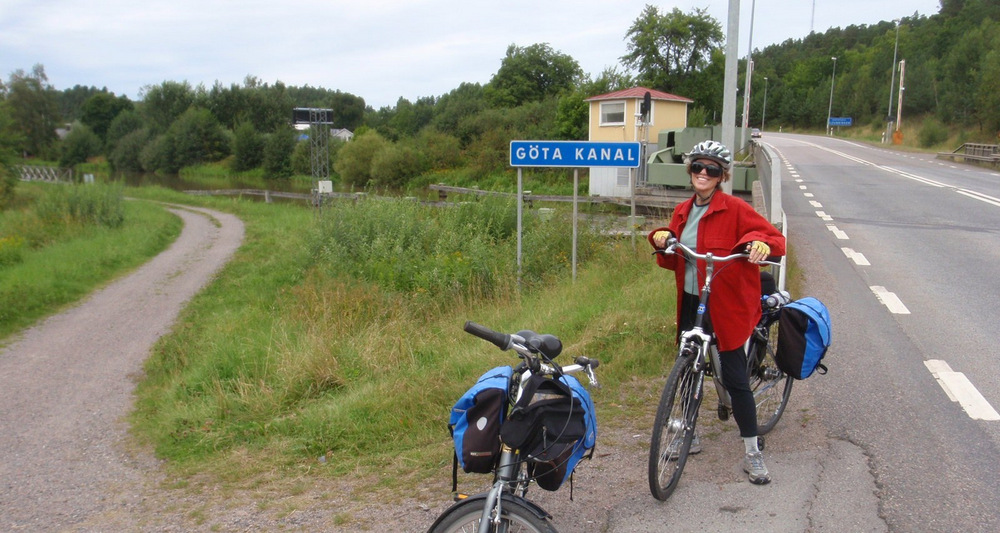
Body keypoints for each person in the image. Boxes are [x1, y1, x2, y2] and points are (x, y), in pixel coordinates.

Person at [647, 140, 786, 485]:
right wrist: (662, 237)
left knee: (736, 379)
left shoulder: (736, 209)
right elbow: (671, 253)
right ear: (690, 171)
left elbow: (774, 238)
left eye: (711, 169)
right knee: (688, 367)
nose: (703, 174)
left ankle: (752, 452)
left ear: (722, 175)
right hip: (693, 301)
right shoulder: (682, 210)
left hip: (727, 305)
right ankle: (688, 434)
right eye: (698, 167)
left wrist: (760, 243)